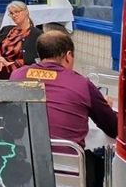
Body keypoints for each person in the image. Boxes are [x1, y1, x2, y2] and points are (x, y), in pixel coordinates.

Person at [10, 31, 117, 186]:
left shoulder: (17, 76)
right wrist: (106, 105)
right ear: (68, 55)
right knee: (96, 162)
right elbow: (113, 128)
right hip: (69, 174)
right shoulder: (81, 84)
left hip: (25, 167)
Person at [0, 1, 42, 80]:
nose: (14, 15)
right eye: (11, 13)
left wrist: (10, 63)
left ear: (26, 12)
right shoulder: (6, 29)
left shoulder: (36, 34)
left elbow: (36, 59)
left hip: (20, 72)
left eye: (17, 12)